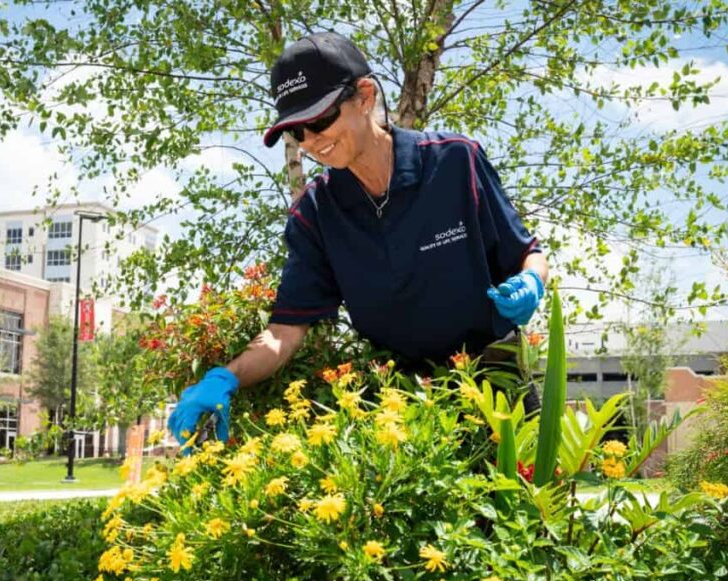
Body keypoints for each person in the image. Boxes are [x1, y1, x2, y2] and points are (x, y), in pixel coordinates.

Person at [168, 31, 548, 446]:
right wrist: (226, 377)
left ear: (365, 96)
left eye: (320, 121)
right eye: (298, 133)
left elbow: (528, 253)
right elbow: (285, 332)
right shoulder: (316, 215)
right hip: (404, 405)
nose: (312, 142)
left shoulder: (456, 161)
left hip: (496, 385)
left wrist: (532, 281)